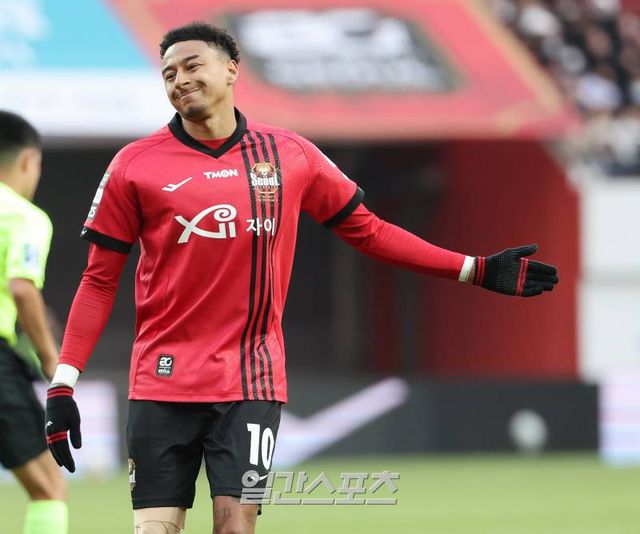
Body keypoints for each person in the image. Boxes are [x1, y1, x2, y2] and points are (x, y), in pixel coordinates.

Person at [44, 22, 559, 534]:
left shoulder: (289, 154)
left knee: (235, 526)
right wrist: (64, 384)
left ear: (232, 69)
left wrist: (472, 269)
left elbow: (370, 231)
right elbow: (99, 281)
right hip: (161, 382)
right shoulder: (134, 165)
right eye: (169, 73)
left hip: (251, 381)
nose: (180, 80)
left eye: (192, 65)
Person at [0, 110, 68, 534]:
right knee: (49, 488)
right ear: (28, 160)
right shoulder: (23, 215)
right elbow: (22, 288)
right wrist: (51, 360)